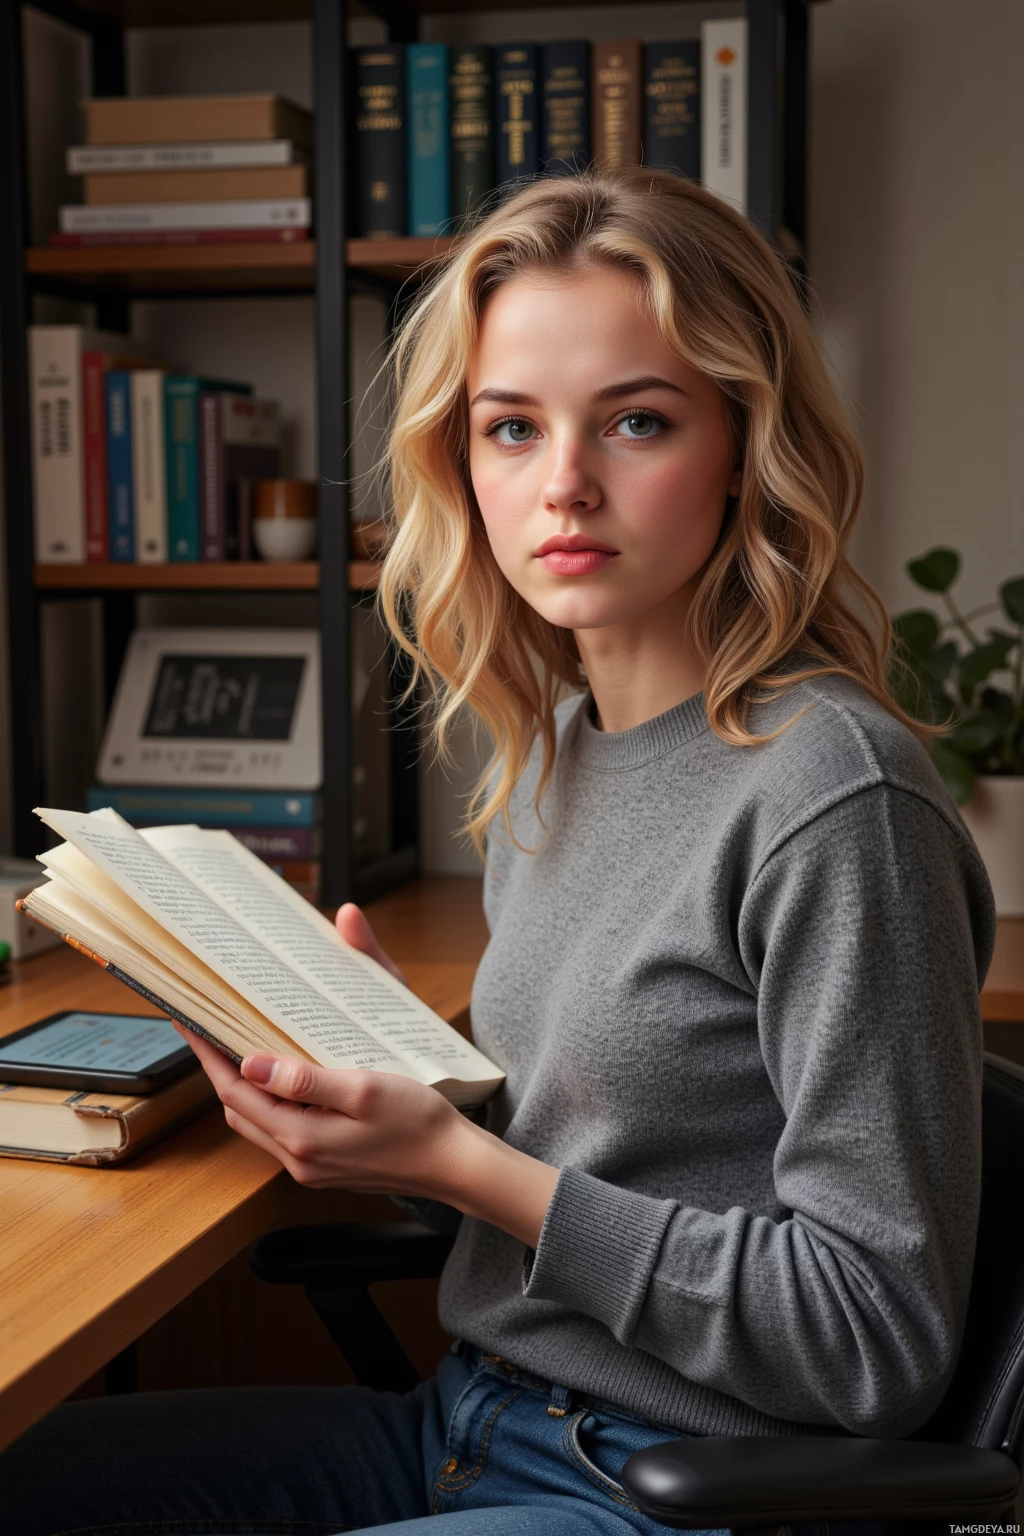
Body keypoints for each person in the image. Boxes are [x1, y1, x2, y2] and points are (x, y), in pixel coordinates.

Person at [0, 166, 996, 1536]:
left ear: (747, 444)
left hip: (671, 1489)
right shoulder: (557, 753)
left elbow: (871, 1339)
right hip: (472, 1421)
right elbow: (615, 1162)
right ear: (460, 462)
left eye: (637, 421)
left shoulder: (833, 799)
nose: (565, 486)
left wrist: (464, 1167)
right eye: (512, 429)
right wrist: (395, 1111)